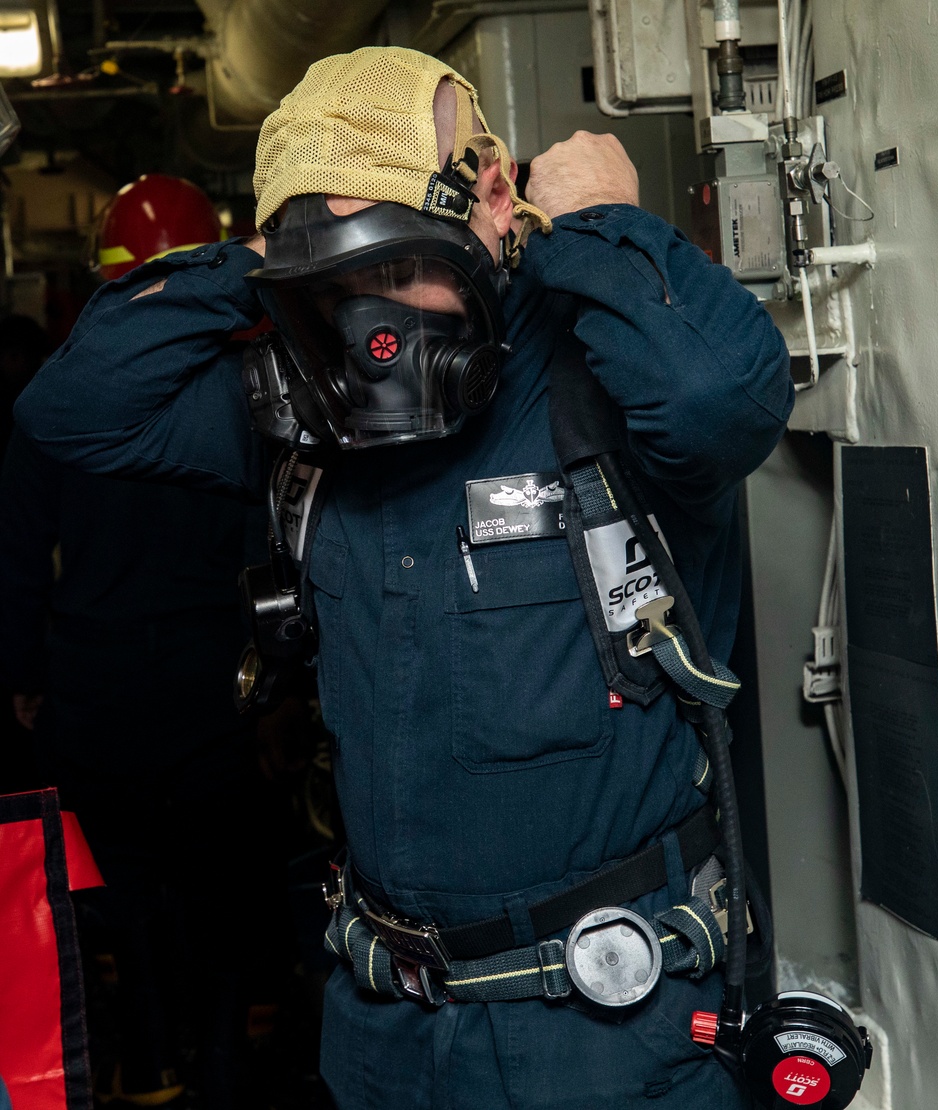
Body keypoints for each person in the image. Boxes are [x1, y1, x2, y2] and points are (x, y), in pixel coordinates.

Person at [14, 46, 794, 1110]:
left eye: (395, 263)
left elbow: (726, 399)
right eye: (332, 282)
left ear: (489, 196)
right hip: (388, 1036)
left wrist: (605, 223)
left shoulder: (594, 380)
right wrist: (262, 253)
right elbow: (76, 410)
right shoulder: (305, 409)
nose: (372, 331)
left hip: (608, 1041)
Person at [0, 175, 282, 1109]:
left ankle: (149, 1057)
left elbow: (16, 557)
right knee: (224, 893)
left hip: (96, 686)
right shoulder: (249, 391)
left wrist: (23, 676)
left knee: (119, 893)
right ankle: (225, 1068)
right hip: (216, 687)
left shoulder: (61, 399)